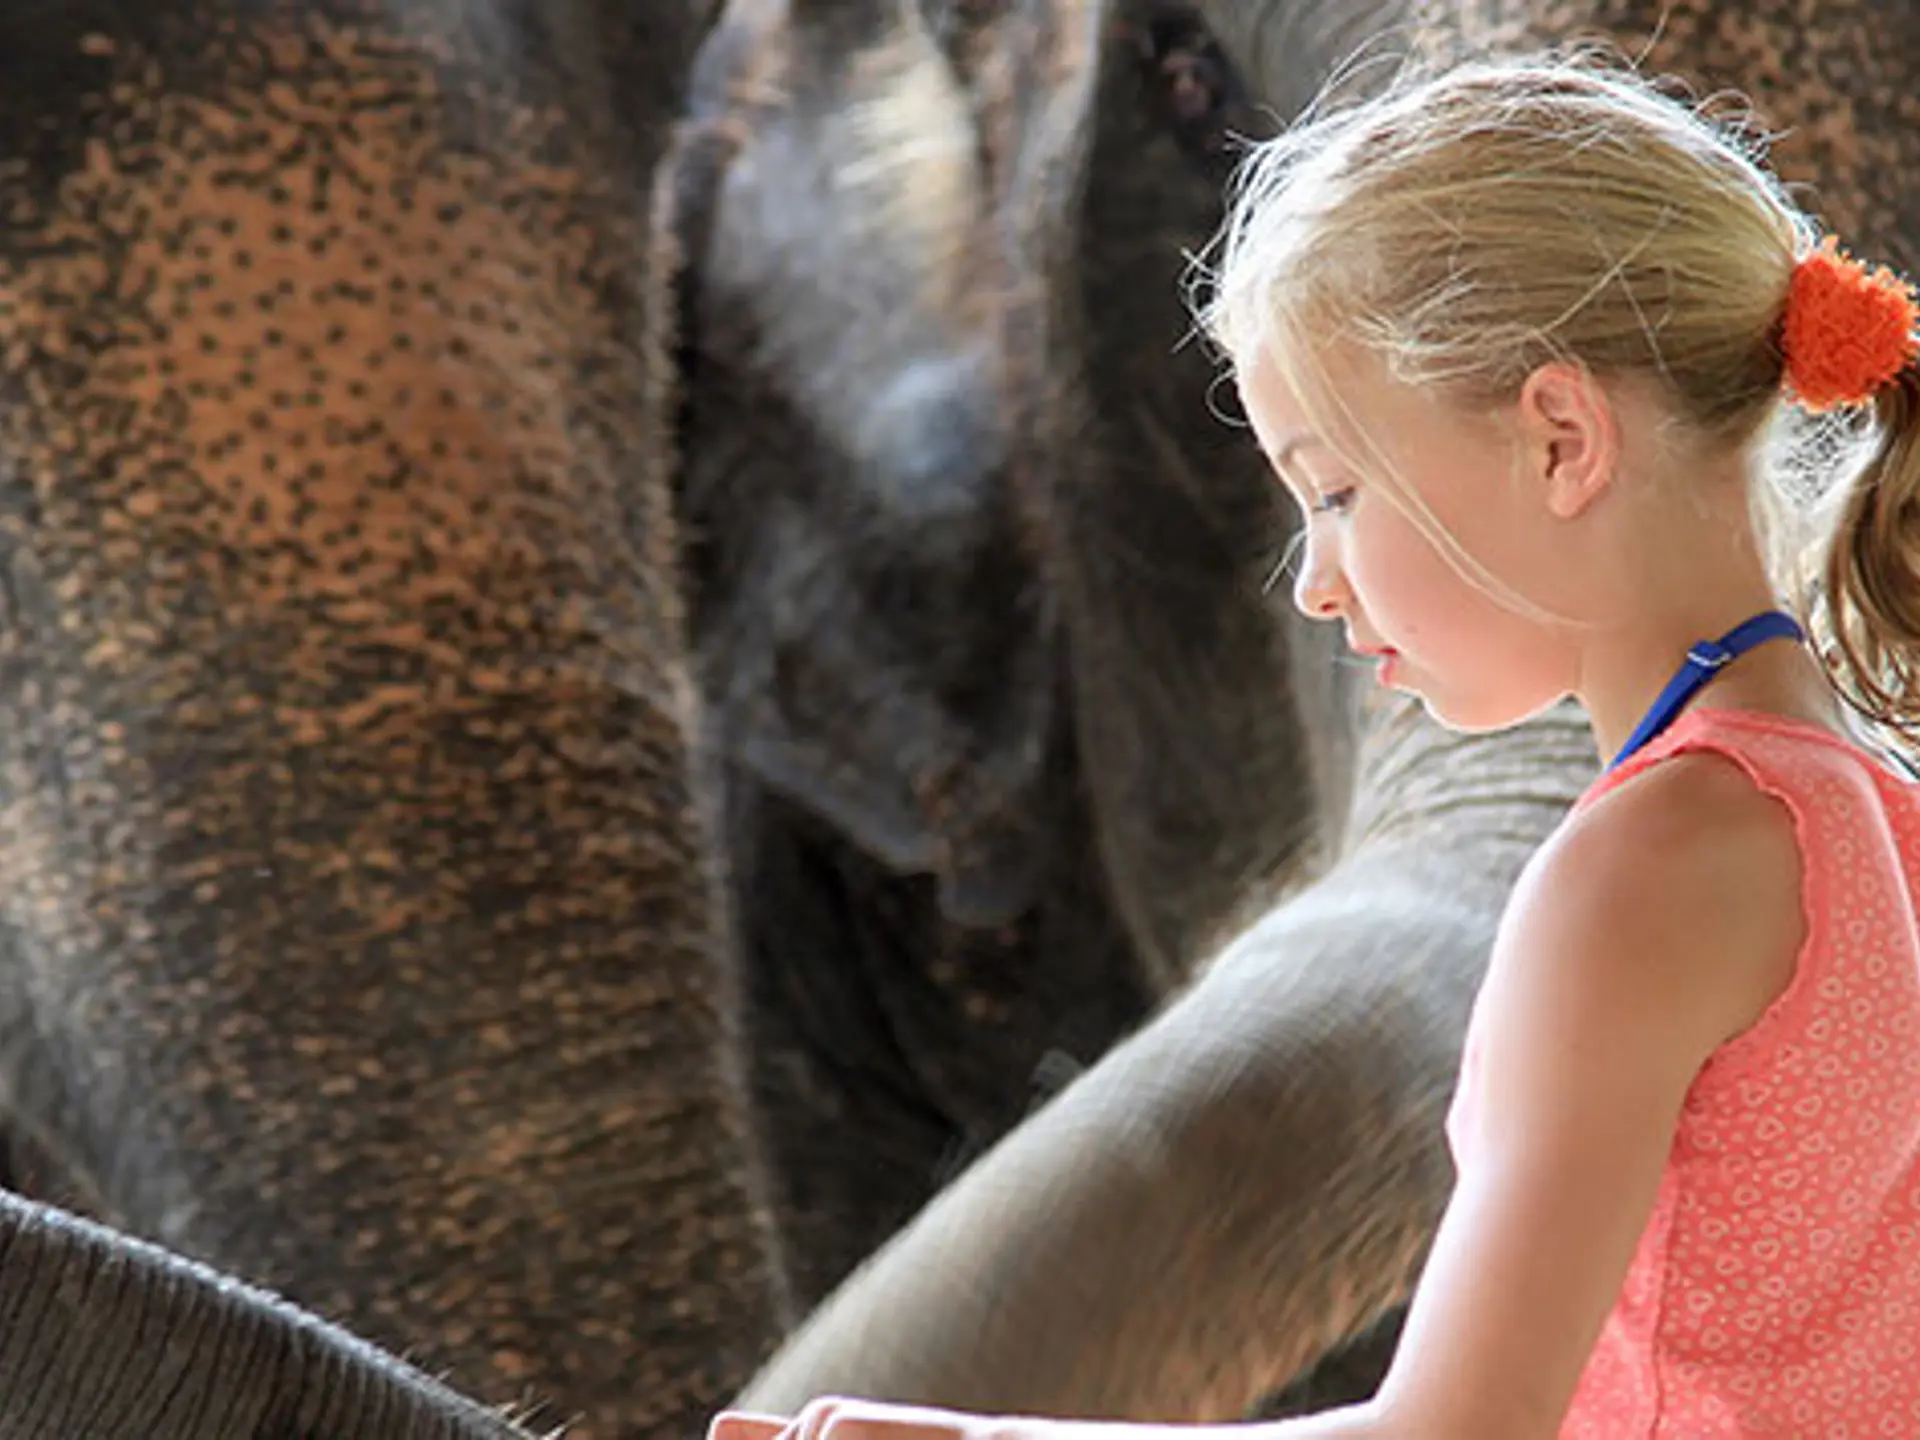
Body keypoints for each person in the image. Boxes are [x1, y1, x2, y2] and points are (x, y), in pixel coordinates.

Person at [709, 50, 1920, 1440]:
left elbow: (1456, 1434)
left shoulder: (1643, 868)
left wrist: (981, 1437)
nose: (1314, 578)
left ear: (1561, 440)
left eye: (1336, 489)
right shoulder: (1871, 802)